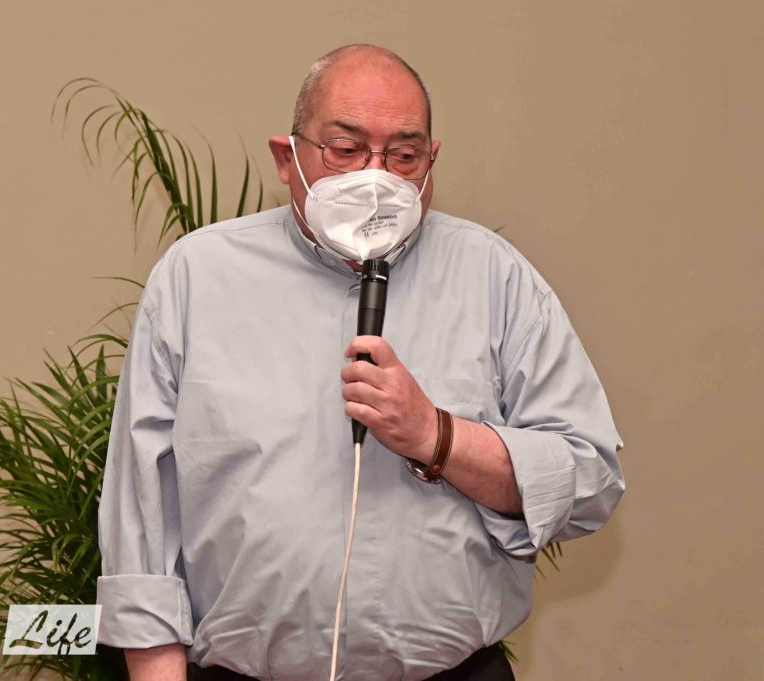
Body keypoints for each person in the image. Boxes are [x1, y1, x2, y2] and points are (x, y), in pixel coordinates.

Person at [96, 44, 625, 681]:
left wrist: (437, 435)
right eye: (345, 149)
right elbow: (142, 508)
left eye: (403, 156)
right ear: (287, 158)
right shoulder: (196, 277)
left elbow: (589, 480)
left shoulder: (494, 276)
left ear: (431, 164)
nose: (375, 178)